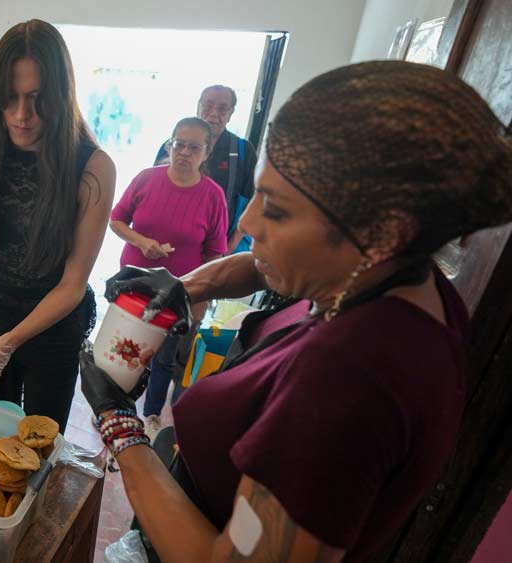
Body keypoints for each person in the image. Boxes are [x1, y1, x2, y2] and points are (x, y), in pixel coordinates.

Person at [80, 61, 512, 561]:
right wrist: (184, 286)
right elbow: (260, 265)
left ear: (383, 232)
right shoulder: (397, 276)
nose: (248, 220)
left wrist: (119, 424)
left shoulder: (351, 380)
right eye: (259, 192)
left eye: (278, 209)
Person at [0, 19, 116, 430]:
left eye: (38, 100)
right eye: (10, 99)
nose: (22, 116)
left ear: (61, 96)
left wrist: (7, 343)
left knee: (40, 439)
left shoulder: (93, 168)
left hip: (56, 323)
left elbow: (72, 284)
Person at [109, 116, 227, 437]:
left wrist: (201, 299)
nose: (184, 153)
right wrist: (142, 242)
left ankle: (150, 416)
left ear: (206, 153)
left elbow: (215, 252)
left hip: (179, 292)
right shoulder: (147, 179)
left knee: (163, 360)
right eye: (178, 144)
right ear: (170, 145)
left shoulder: (213, 196)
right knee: (125, 353)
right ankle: (117, 411)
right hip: (134, 285)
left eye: (194, 147)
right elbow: (116, 220)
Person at [155, 85, 258, 254]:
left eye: (222, 109)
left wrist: (227, 249)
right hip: (169, 246)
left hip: (219, 249)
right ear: (198, 106)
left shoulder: (243, 151)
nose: (213, 114)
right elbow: (154, 194)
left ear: (231, 113)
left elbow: (254, 203)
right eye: (208, 106)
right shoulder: (174, 146)